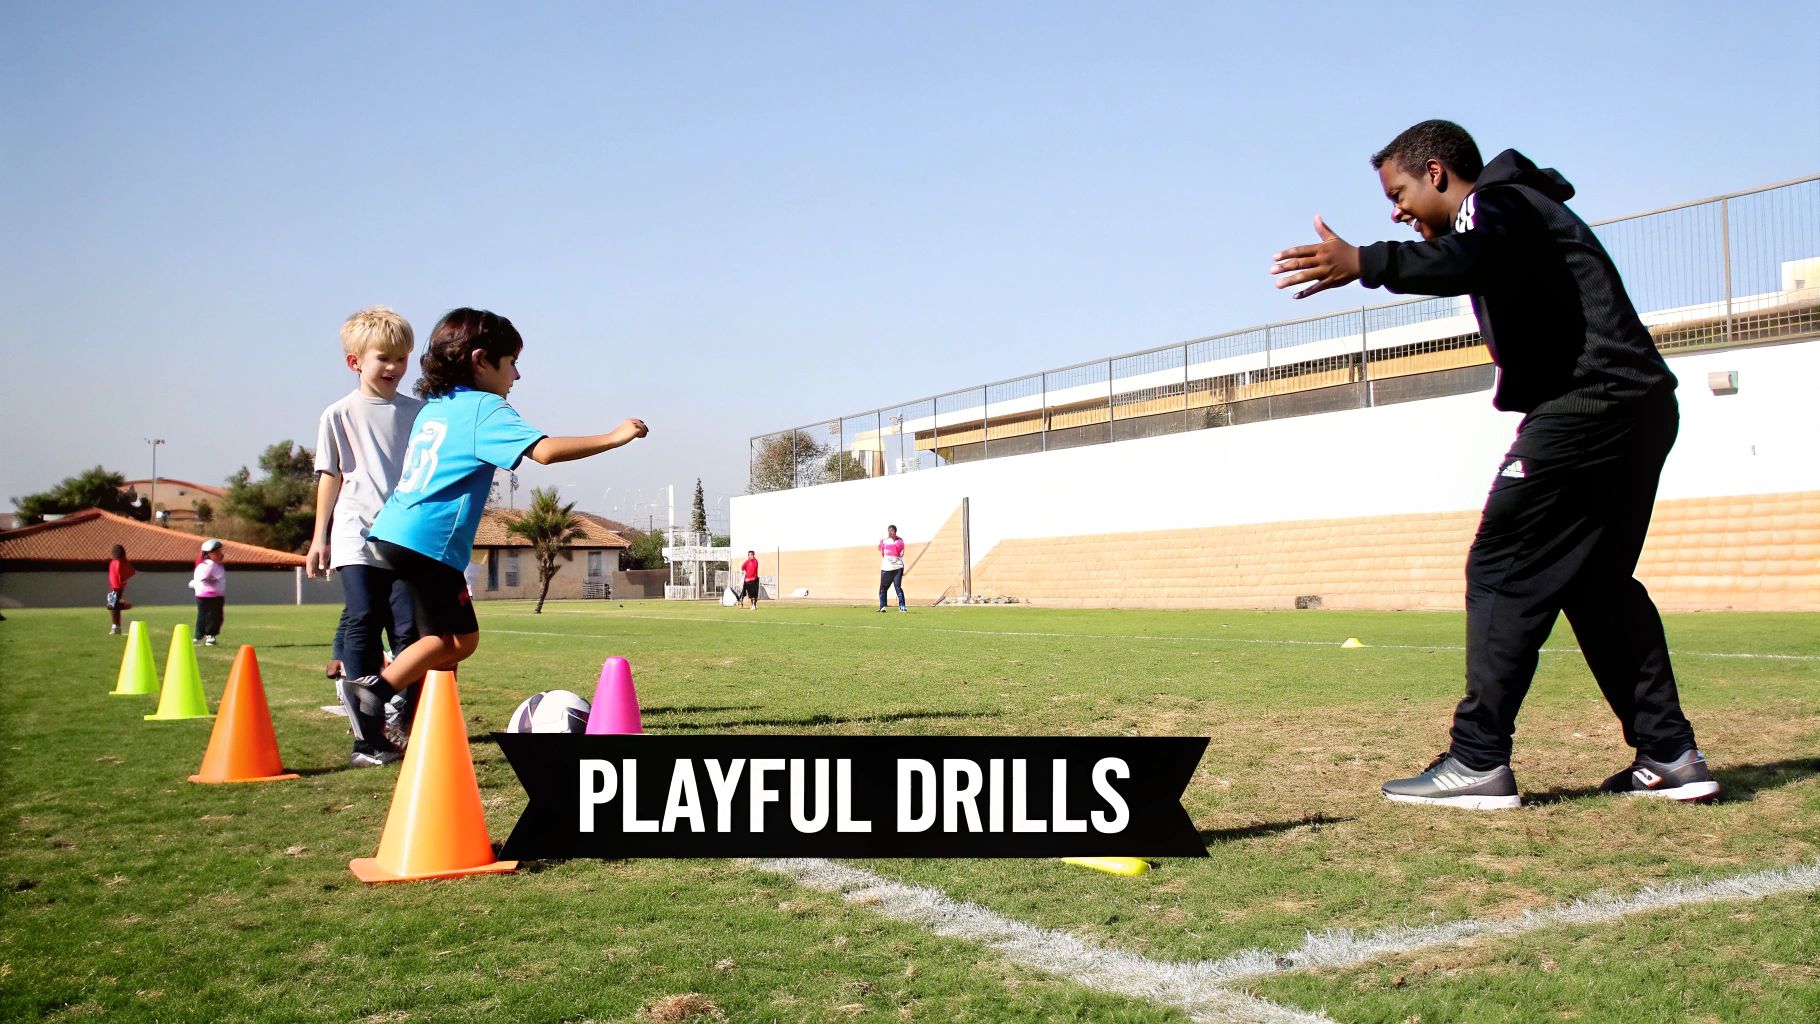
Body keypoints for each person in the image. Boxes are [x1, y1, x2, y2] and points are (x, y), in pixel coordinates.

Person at [1270, 120, 1717, 808]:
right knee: (1596, 584)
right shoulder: (1522, 209)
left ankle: (1478, 759)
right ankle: (1669, 753)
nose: (1396, 210)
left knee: (1503, 565)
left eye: (1400, 193)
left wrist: (1369, 262)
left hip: (1591, 406)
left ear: (1438, 174)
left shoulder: (1499, 205)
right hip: (1639, 406)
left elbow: (1474, 258)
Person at [338, 308, 647, 726]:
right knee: (460, 641)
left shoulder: (436, 406)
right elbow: (546, 451)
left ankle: (401, 710)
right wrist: (613, 438)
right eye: (512, 363)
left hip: (392, 531)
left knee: (440, 641)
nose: (517, 376)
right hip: (427, 542)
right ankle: (372, 692)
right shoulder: (484, 408)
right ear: (481, 360)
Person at [307, 305, 426, 767]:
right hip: (355, 534)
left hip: (408, 538)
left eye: (402, 357)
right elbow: (330, 477)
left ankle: (408, 716)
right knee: (362, 617)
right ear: (355, 361)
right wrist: (320, 538)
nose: (394, 367)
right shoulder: (338, 414)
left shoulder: (420, 414)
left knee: (409, 632)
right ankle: (366, 738)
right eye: (384, 358)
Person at [189, 538, 226, 645]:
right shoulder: (209, 565)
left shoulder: (215, 564)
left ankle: (199, 636)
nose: (220, 554)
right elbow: (202, 578)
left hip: (213, 595)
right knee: (213, 616)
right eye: (217, 552)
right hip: (210, 595)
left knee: (205, 615)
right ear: (209, 554)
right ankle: (209, 636)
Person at [106, 544, 135, 634]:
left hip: (115, 588)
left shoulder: (117, 562)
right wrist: (123, 580)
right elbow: (131, 572)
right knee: (113, 606)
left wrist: (121, 581)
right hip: (116, 587)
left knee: (112, 606)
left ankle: (116, 627)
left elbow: (119, 574)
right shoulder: (122, 562)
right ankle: (116, 627)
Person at [878, 525, 906, 613]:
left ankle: (902, 606)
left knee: (898, 587)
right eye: (888, 531)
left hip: (897, 568)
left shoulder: (900, 541)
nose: (889, 532)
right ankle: (882, 606)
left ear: (895, 531)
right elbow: (881, 550)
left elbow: (899, 553)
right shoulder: (884, 541)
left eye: (891, 531)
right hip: (886, 568)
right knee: (883, 588)